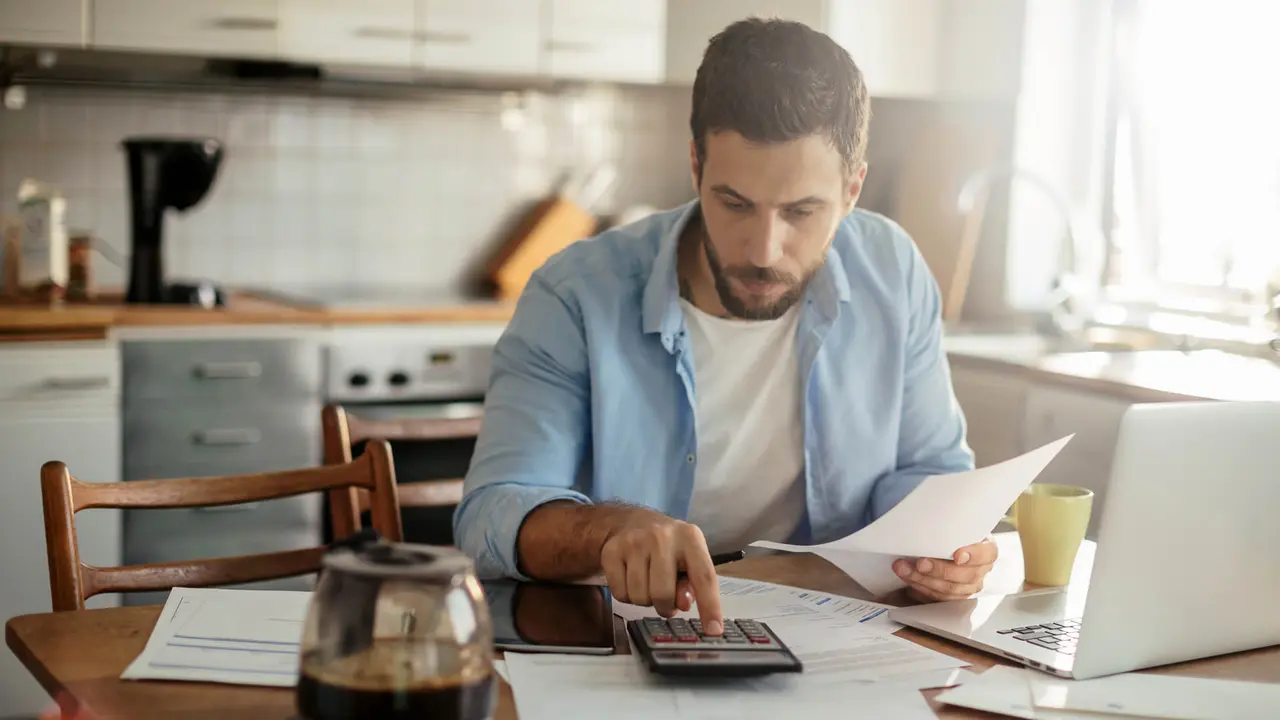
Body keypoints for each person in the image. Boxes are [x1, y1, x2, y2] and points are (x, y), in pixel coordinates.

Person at [454, 17, 996, 635]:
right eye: (735, 203)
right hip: (619, 635)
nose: (763, 250)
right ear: (695, 167)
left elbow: (928, 468)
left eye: (801, 211)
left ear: (852, 190)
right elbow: (491, 514)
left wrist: (945, 546)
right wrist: (610, 530)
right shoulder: (576, 293)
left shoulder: (893, 271)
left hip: (829, 628)